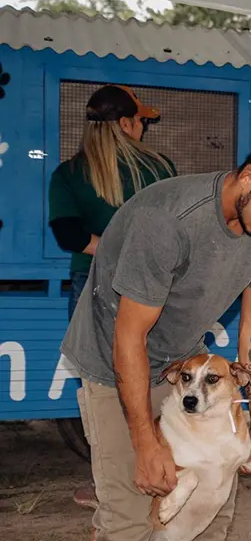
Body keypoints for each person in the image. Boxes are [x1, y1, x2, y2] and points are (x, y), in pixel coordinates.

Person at [59, 129, 251, 541]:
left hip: (182, 363)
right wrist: (145, 445)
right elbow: (129, 336)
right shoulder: (167, 221)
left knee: (212, 508)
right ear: (247, 179)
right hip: (113, 359)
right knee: (130, 516)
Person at [48, 84, 176, 511]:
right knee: (154, 379)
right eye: (141, 121)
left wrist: (110, 249)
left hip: (92, 288)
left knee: (102, 387)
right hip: (153, 289)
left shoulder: (68, 174)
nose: (143, 129)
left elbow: (68, 235)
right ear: (125, 124)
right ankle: (161, 463)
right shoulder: (159, 168)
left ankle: (108, 481)